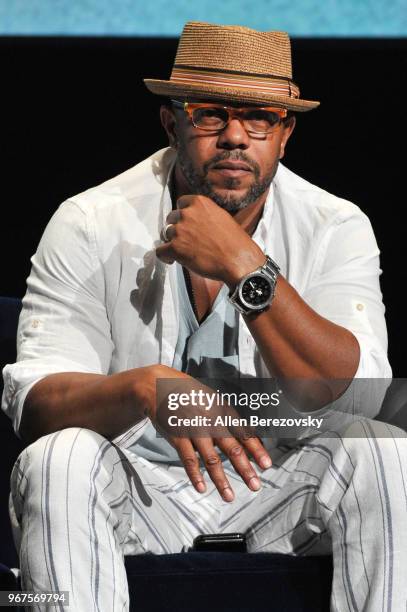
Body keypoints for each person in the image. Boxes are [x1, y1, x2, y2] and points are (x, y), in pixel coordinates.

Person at [2, 20, 406, 611]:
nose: (236, 137)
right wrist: (145, 388)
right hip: (138, 492)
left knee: (385, 449)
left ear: (285, 132)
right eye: (211, 114)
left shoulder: (335, 225)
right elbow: (36, 405)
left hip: (283, 488)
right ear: (173, 122)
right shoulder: (90, 220)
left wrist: (248, 268)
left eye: (260, 118)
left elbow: (358, 398)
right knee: (55, 458)